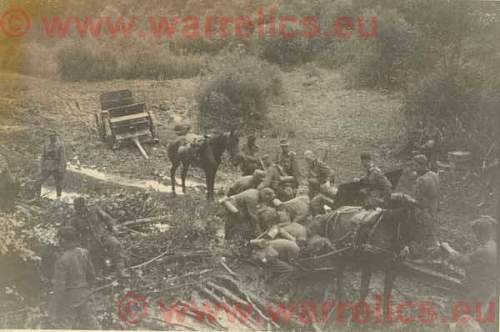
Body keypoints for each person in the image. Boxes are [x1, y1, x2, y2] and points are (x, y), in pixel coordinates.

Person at [441, 217, 497, 332]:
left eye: (476, 233)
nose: (475, 236)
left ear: (480, 233)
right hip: (488, 290)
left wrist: (448, 248)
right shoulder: (493, 245)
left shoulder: (485, 250)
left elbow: (463, 260)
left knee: (463, 318)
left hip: (479, 291)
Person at [48, 226, 100, 329]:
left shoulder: (62, 260)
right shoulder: (84, 253)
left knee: (63, 325)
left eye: (59, 239)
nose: (59, 242)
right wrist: (89, 291)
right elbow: (92, 275)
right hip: (84, 294)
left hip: (70, 297)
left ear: (63, 240)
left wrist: (53, 308)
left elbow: (59, 288)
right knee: (91, 324)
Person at [72, 197, 127, 279]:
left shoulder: (95, 210)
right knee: (94, 257)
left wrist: (112, 227)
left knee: (115, 244)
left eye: (82, 207)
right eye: (78, 208)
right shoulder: (74, 218)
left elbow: (107, 219)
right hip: (89, 241)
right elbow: (73, 234)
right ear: (76, 208)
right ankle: (100, 276)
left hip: (103, 235)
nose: (81, 210)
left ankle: (120, 271)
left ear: (85, 205)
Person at [413, 154, 440, 250]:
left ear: (422, 165)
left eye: (416, 166)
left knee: (424, 229)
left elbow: (418, 198)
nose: (414, 168)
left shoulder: (421, 180)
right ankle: (434, 244)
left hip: (425, 208)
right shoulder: (434, 174)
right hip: (434, 205)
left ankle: (424, 248)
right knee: (432, 227)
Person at [36, 130, 66, 199]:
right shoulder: (46, 145)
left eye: (53, 135)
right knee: (38, 181)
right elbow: (43, 156)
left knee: (58, 183)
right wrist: (40, 167)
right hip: (47, 166)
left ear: (56, 136)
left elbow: (62, 157)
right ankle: (37, 196)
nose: (52, 137)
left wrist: (62, 168)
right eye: (50, 136)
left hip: (56, 166)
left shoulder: (60, 145)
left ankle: (58, 198)